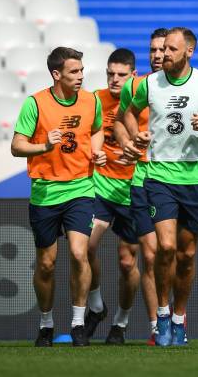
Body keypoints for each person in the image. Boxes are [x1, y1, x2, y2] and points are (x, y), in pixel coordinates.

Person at [123, 27, 198, 346]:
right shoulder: (149, 83)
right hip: (159, 176)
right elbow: (128, 112)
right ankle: (161, 315)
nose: (164, 55)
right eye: (163, 49)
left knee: (187, 254)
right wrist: (136, 135)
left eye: (172, 50)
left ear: (189, 52)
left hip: (195, 179)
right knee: (165, 248)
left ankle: (179, 318)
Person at [11, 47, 106, 347]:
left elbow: (97, 129)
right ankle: (46, 323)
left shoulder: (91, 100)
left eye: (81, 70)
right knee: (47, 264)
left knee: (80, 253)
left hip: (81, 188)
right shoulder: (35, 104)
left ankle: (78, 322)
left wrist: (96, 150)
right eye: (73, 72)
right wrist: (43, 147)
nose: (80, 76)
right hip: (45, 192)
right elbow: (16, 146)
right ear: (56, 74)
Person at [112, 28, 168, 345]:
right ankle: (157, 325)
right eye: (152, 50)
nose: (157, 55)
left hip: (178, 179)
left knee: (177, 255)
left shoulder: (192, 86)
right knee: (150, 252)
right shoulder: (136, 86)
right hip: (142, 177)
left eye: (162, 50)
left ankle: (176, 319)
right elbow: (119, 121)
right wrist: (129, 142)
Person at [83, 48, 140, 344]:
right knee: (85, 246)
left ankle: (121, 322)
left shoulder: (145, 99)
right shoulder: (95, 99)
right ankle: (95, 305)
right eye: (110, 74)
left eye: (121, 74)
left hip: (133, 189)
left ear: (133, 75)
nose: (115, 80)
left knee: (127, 262)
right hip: (101, 185)